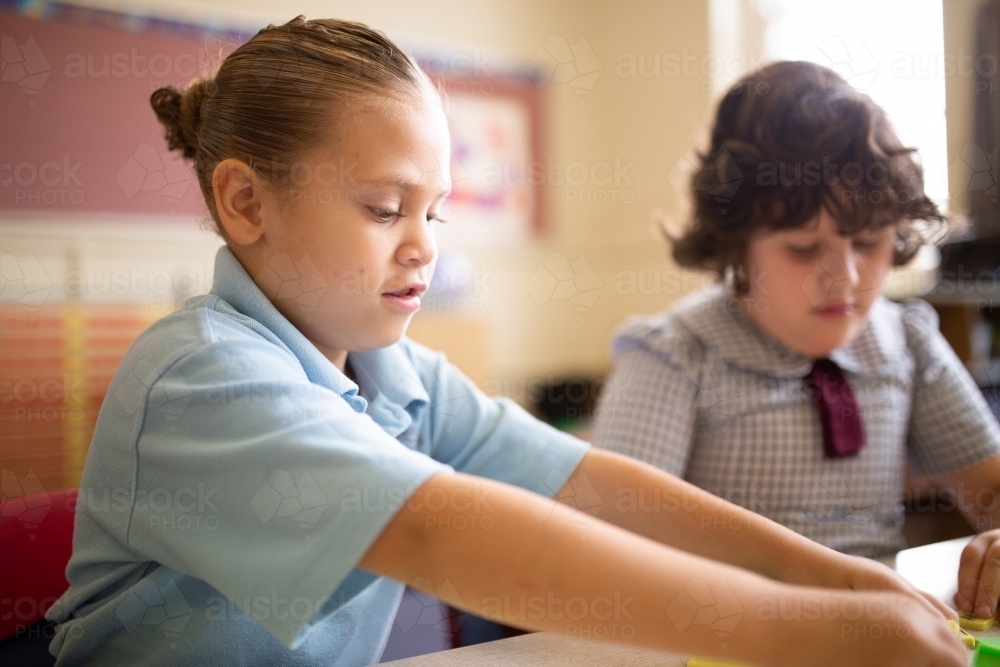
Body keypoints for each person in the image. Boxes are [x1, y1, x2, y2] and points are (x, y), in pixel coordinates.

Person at [46, 22, 966, 667]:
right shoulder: (202, 373)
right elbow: (442, 531)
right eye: (383, 208)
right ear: (245, 202)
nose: (424, 245)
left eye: (435, 210)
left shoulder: (392, 371)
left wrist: (832, 577)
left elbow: (591, 483)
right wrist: (809, 631)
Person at [592, 60, 1000, 625]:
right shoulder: (675, 354)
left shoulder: (905, 341)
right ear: (736, 245)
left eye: (868, 242)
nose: (846, 279)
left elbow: (990, 489)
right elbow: (608, 549)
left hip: (877, 638)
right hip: (727, 636)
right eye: (804, 249)